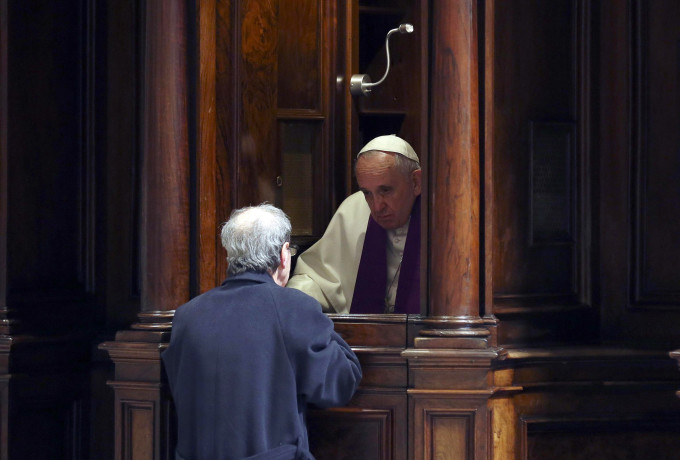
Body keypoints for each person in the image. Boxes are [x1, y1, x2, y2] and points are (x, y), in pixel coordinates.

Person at [162, 204, 362, 460]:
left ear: (230, 254)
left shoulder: (187, 315)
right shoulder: (294, 308)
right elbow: (340, 384)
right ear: (283, 254)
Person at [288, 134, 422, 314]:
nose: (376, 206)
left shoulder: (443, 218)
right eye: (367, 193)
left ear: (415, 182)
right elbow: (318, 279)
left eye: (386, 190)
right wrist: (292, 299)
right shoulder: (354, 208)